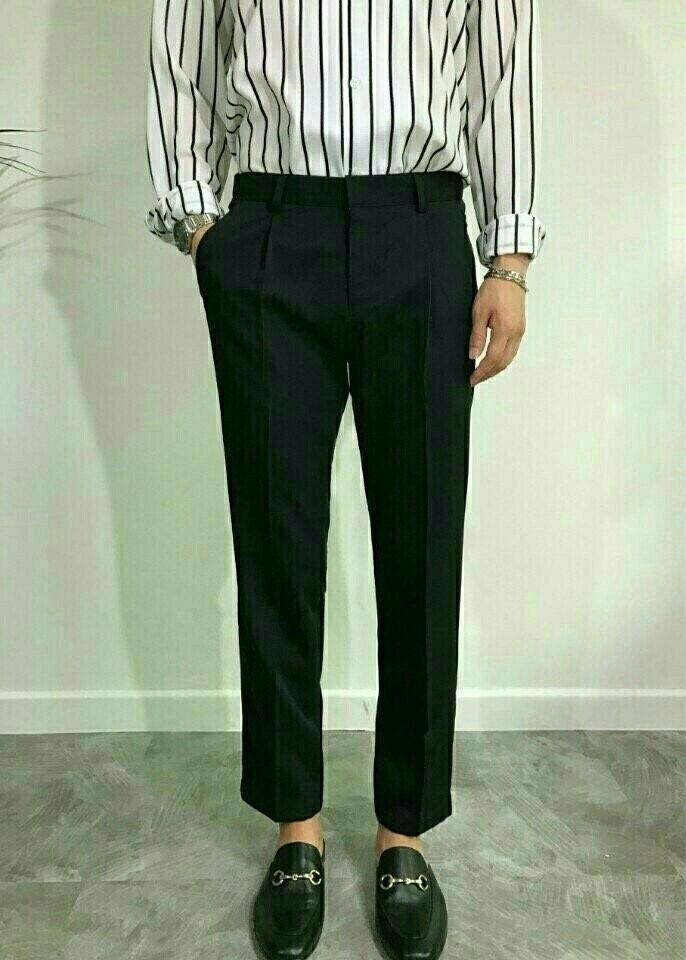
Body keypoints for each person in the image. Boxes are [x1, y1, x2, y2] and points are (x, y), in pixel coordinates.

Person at [145, 2, 546, 957]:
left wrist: (510, 259)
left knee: (421, 541)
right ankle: (297, 828)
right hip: (271, 231)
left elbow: (502, 68)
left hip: (422, 227)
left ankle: (404, 832)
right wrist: (204, 231)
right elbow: (180, 52)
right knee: (276, 539)